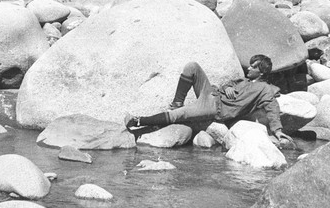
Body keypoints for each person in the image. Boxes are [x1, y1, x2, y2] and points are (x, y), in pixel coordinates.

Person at [125, 54, 294, 148]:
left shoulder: (265, 89)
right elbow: (228, 83)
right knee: (192, 66)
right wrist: (228, 87)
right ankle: (177, 102)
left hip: (214, 107)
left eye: (253, 67)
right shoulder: (244, 80)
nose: (248, 68)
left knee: (178, 115)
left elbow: (272, 108)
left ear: (262, 72)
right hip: (211, 93)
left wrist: (277, 130)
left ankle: (138, 121)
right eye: (250, 65)